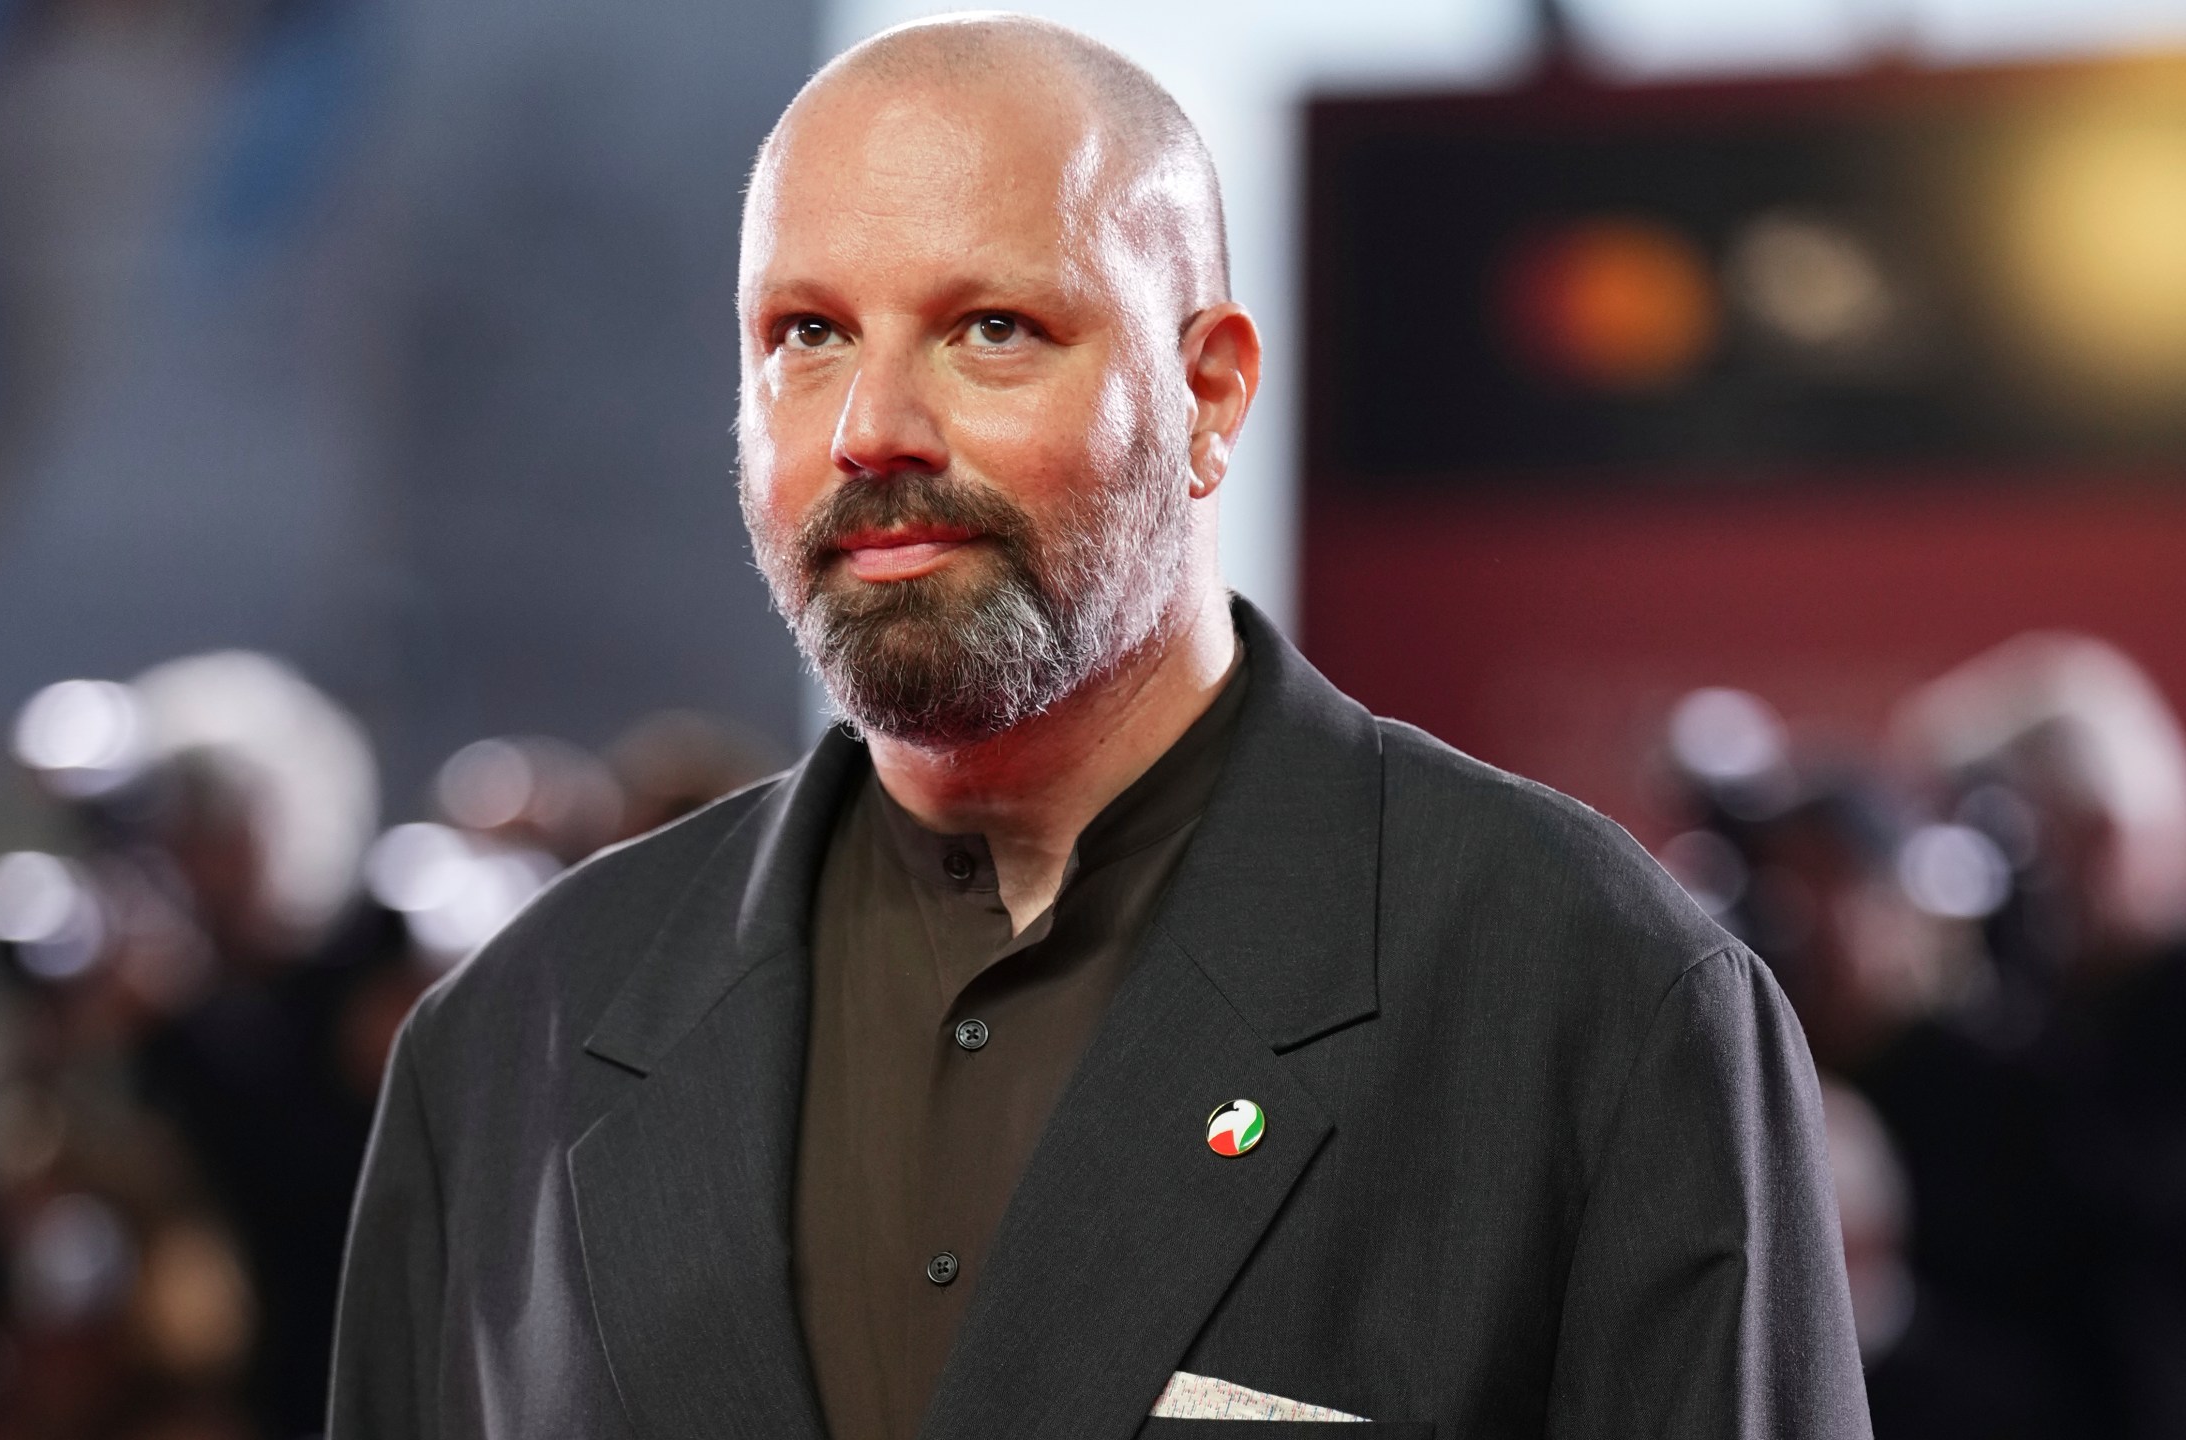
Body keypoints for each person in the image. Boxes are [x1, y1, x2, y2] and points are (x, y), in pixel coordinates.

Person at [329, 17, 1866, 1439]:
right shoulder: (508, 1054)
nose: (872, 427)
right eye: (805, 334)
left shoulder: (1587, 999)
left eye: (990, 328)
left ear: (1207, 395)